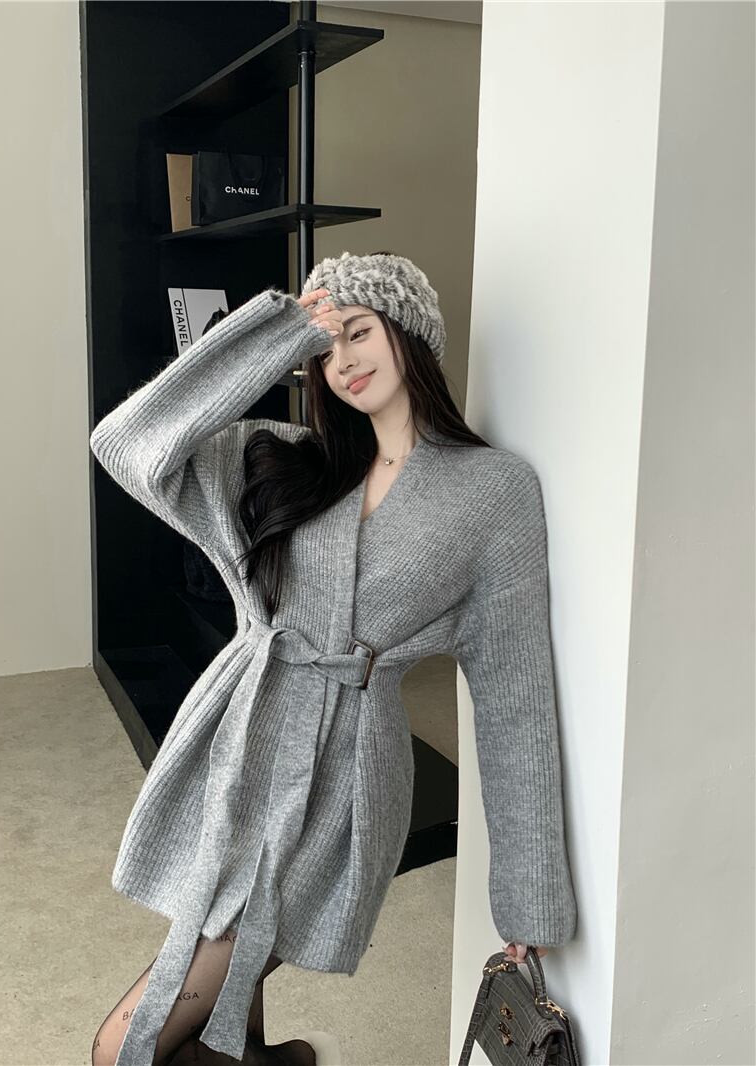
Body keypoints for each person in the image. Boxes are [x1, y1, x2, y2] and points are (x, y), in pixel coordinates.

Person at [89, 250, 578, 1066]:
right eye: (324, 348)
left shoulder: (493, 493)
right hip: (232, 747)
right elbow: (126, 444)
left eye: (359, 332)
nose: (342, 361)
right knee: (212, 1021)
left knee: (122, 1049)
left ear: (409, 333)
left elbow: (514, 699)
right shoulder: (282, 458)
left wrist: (528, 902)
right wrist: (276, 333)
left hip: (339, 781)